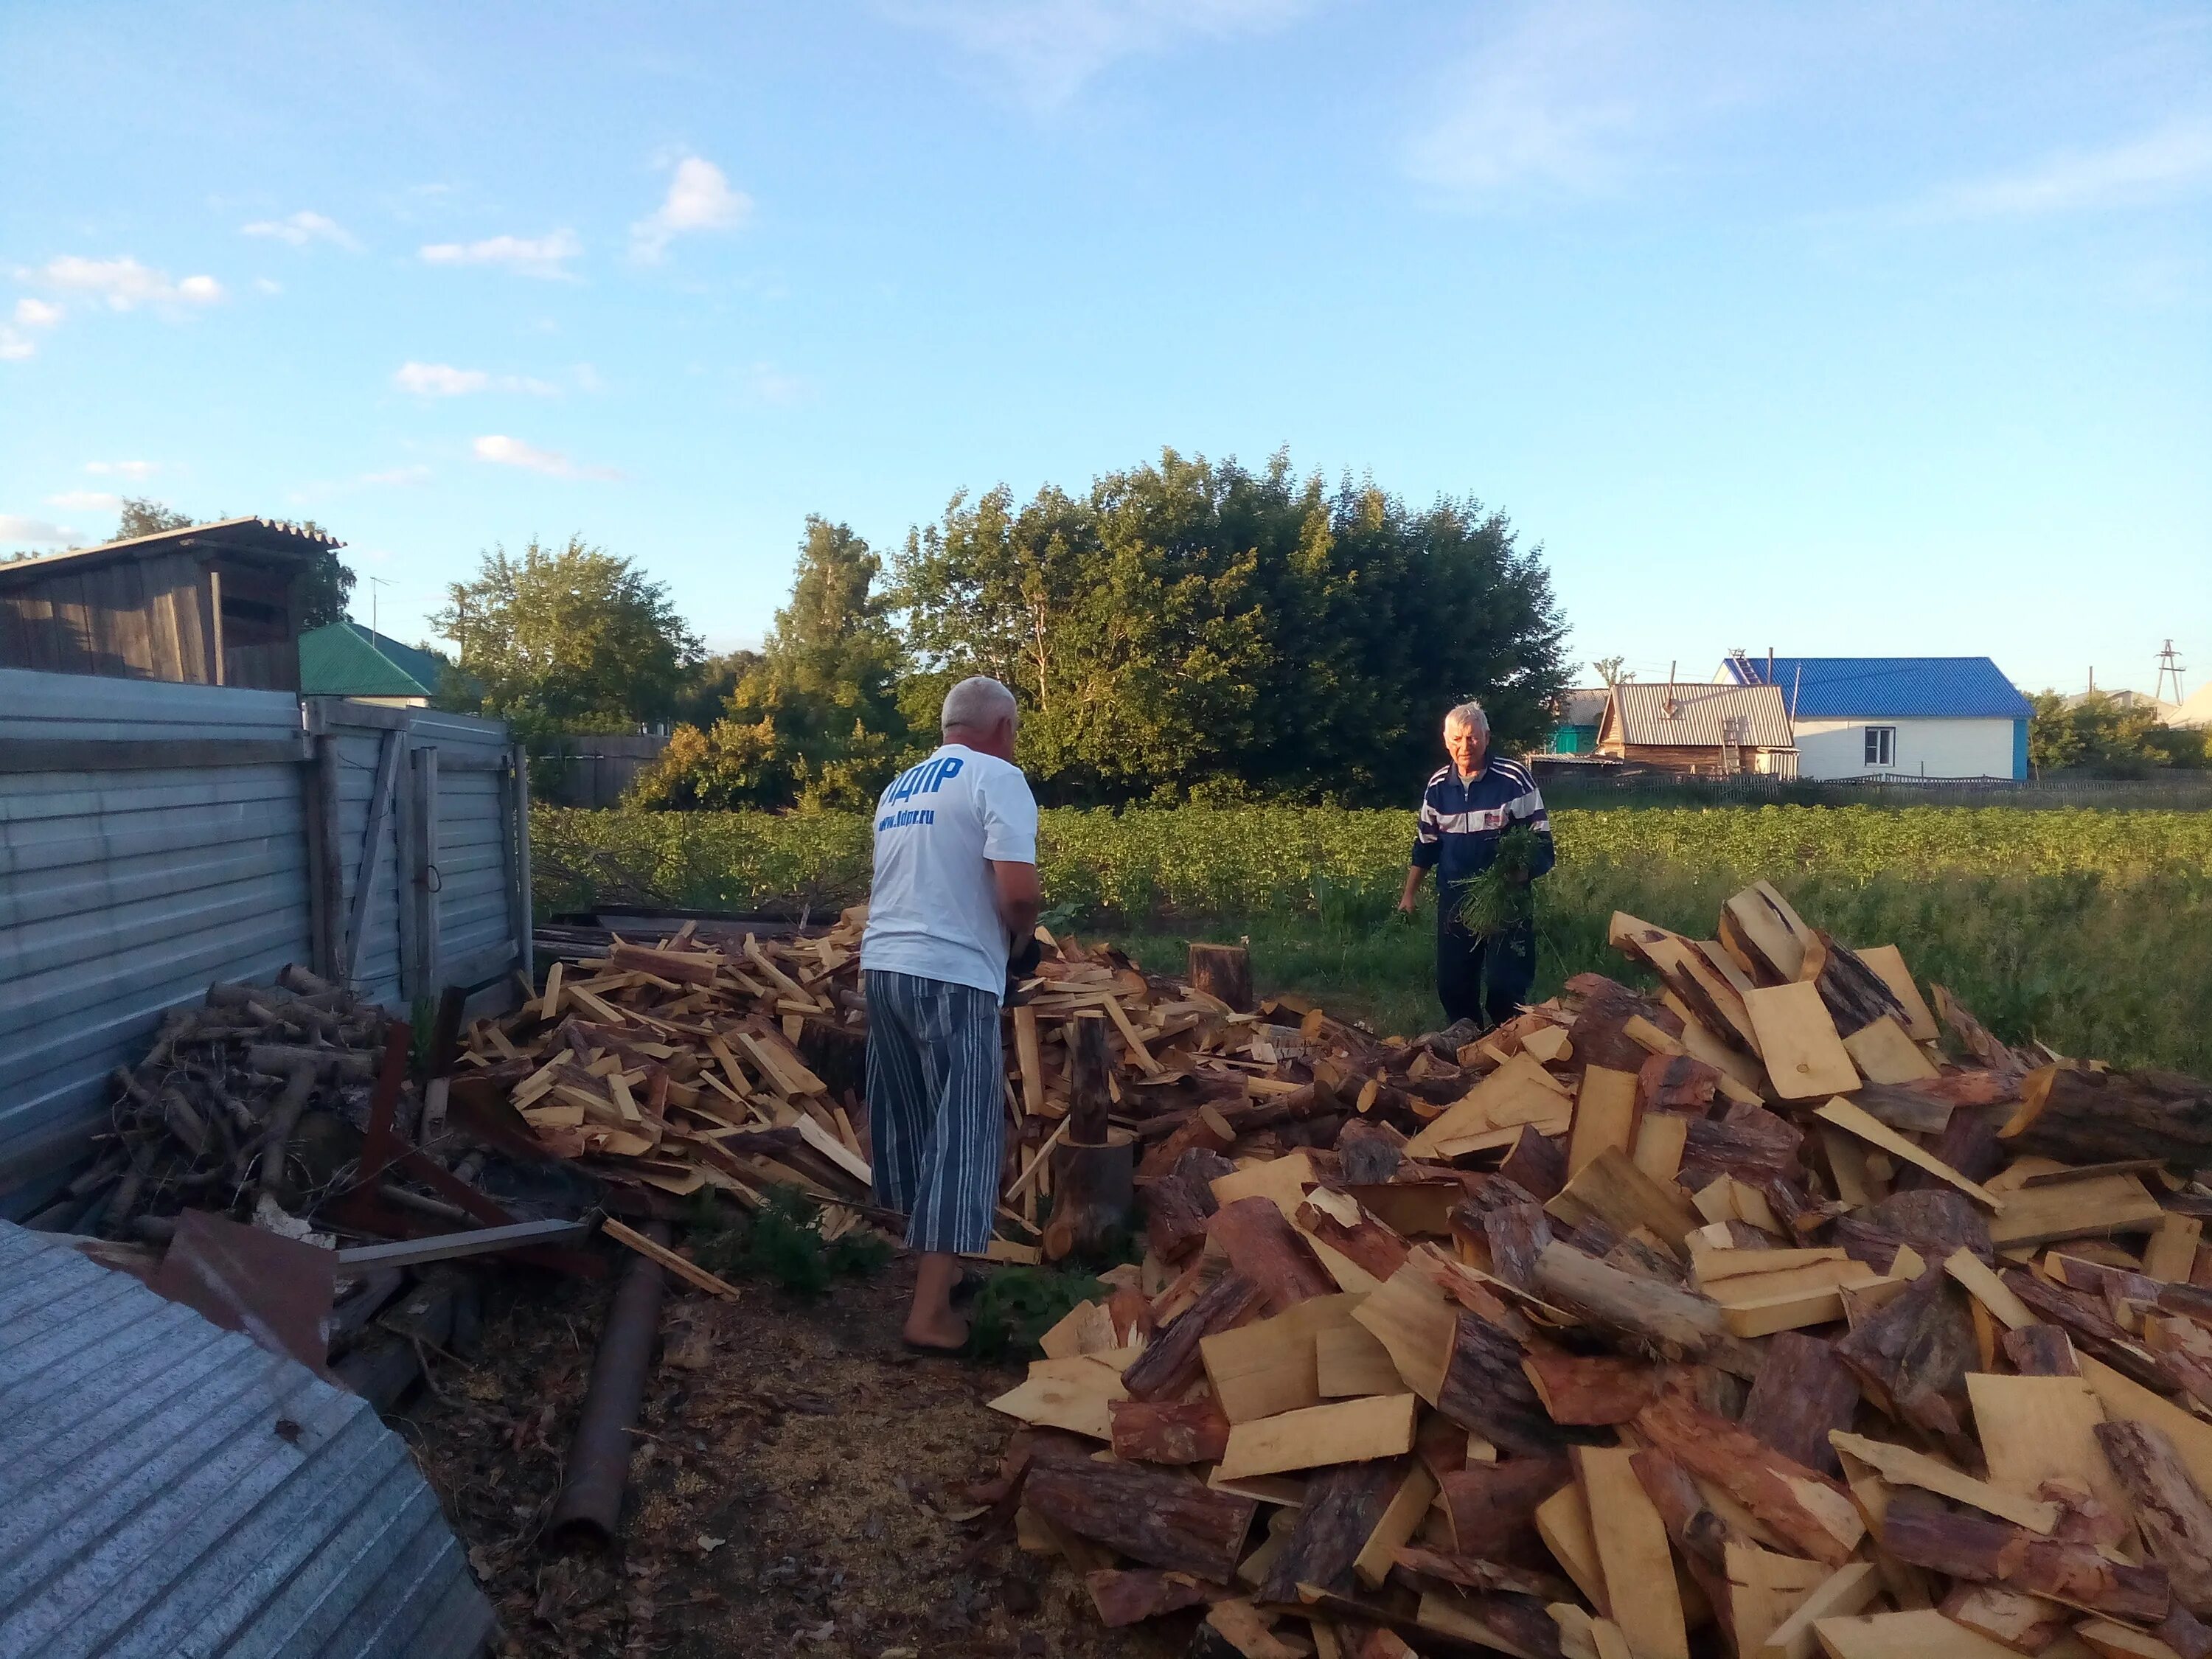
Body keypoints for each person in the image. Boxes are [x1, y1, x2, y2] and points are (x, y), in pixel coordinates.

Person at [860, 675, 1040, 1350]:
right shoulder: (997, 777)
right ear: (1001, 728)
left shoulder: (902, 785)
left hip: (884, 966)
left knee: (909, 1125)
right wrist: (1020, 944)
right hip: (953, 974)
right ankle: (930, 1316)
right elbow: (1018, 893)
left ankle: (940, 1272)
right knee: (963, 1136)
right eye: (1015, 731)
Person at [1396, 700, 1554, 1029]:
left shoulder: (1514, 779)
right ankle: (1466, 1040)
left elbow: (1541, 840)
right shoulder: (1438, 786)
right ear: (1446, 741)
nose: (1465, 746)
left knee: (1505, 984)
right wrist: (1409, 895)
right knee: (1453, 984)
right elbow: (1426, 844)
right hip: (1455, 898)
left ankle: (1507, 1041)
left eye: (1472, 738)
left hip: (1505, 898)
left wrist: (1521, 872)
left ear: (1486, 737)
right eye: (1457, 739)